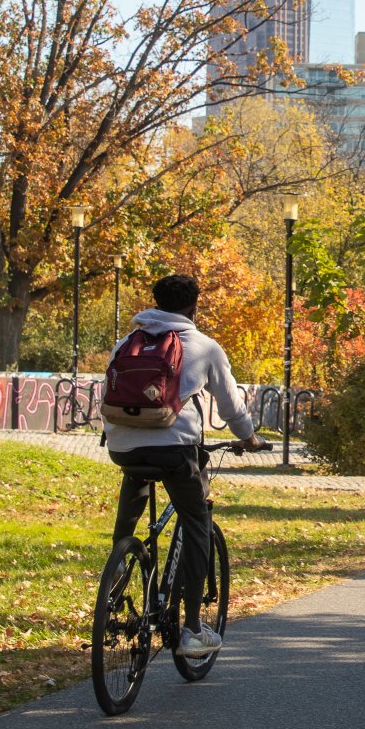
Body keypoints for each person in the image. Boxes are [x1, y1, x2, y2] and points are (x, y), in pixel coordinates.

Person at [105, 274, 265, 658]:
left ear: (155, 303)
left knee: (134, 495)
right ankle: (192, 628)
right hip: (175, 452)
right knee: (197, 523)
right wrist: (249, 438)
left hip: (123, 448)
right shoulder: (205, 347)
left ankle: (116, 576)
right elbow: (231, 406)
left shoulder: (127, 343)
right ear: (194, 307)